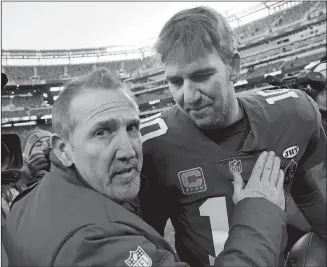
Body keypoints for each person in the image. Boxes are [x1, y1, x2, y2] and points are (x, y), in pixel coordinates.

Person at [3, 68, 288, 266]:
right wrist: (259, 214)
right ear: (63, 149)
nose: (128, 150)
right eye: (102, 132)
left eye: (132, 127)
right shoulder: (91, 244)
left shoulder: (28, 201)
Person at [139, 6, 327, 267]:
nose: (189, 96)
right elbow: (148, 238)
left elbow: (304, 188)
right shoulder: (153, 145)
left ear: (233, 67)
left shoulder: (292, 114)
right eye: (176, 82)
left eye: (201, 76)